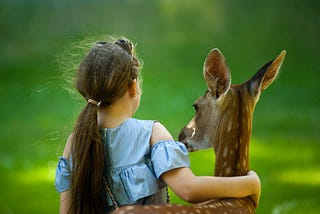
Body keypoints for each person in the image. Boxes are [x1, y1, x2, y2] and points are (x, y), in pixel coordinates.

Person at [55, 37, 261, 214]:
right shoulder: (151, 133)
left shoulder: (76, 141)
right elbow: (189, 189)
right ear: (133, 87)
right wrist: (250, 183)